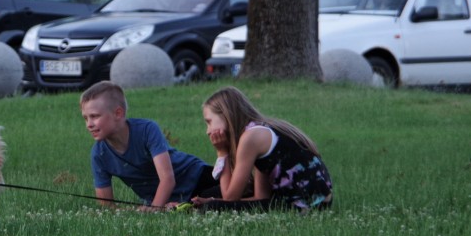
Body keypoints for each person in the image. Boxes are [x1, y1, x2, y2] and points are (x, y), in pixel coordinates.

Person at [192, 86, 333, 212]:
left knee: (212, 206)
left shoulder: (250, 137)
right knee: (210, 196)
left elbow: (230, 198)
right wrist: (214, 200)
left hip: (305, 204)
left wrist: (222, 153)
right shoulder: (258, 130)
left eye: (209, 122)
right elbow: (261, 196)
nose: (208, 131)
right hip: (316, 201)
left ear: (226, 115)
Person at [81, 81, 217, 211]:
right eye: (86, 118)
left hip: (197, 177)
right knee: (201, 208)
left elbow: (168, 179)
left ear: (118, 113)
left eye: (95, 116)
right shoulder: (99, 155)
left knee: (222, 199)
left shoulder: (147, 130)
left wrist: (154, 209)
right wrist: (135, 210)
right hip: (170, 201)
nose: (89, 124)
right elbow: (106, 206)